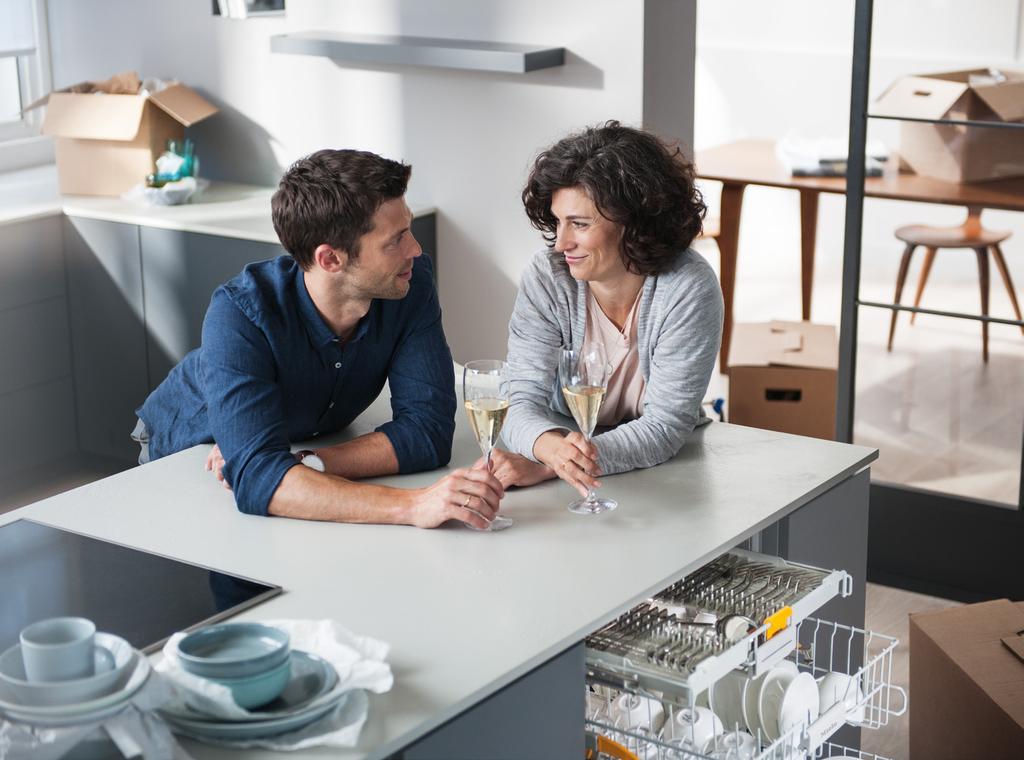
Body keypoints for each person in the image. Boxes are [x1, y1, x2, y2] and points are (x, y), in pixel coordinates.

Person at [134, 149, 503, 529]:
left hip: (286, 451)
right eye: (395, 240)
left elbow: (428, 432)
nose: (415, 249)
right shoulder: (241, 313)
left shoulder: (408, 283)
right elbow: (258, 480)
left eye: (408, 229)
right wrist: (413, 507)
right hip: (190, 454)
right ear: (330, 260)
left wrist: (309, 462)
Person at [494, 121, 723, 496]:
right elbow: (519, 397)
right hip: (570, 457)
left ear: (633, 223)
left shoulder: (687, 287)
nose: (561, 243)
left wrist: (554, 466)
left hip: (664, 475)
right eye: (557, 221)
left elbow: (665, 426)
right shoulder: (549, 276)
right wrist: (550, 450)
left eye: (579, 224)